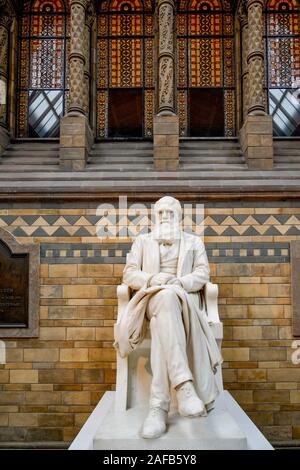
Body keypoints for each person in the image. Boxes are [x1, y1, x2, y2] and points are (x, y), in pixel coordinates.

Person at [114, 196, 222, 439]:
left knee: (168, 304)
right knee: (163, 298)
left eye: (170, 212)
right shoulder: (142, 241)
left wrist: (180, 282)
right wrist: (153, 280)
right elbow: (129, 273)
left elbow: (203, 273)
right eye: (160, 212)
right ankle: (184, 387)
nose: (164, 216)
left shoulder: (194, 242)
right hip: (150, 300)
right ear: (155, 216)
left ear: (179, 215)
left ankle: (158, 408)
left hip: (184, 300)